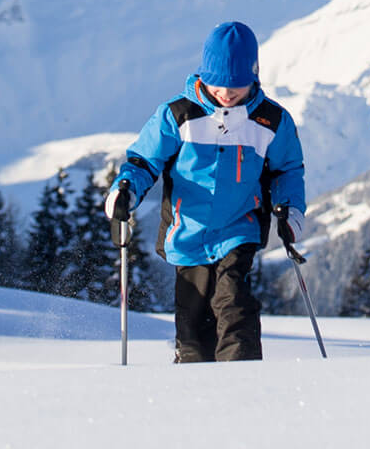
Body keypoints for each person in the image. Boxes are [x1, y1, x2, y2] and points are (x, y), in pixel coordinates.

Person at [105, 19, 306, 363]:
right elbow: (144, 161)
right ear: (203, 75)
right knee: (193, 320)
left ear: (254, 76)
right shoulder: (178, 115)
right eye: (218, 84)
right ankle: (193, 375)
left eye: (237, 85)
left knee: (234, 302)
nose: (227, 93)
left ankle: (243, 374)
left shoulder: (270, 121)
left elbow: (287, 169)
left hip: (239, 226)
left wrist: (290, 209)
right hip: (188, 231)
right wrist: (126, 190)